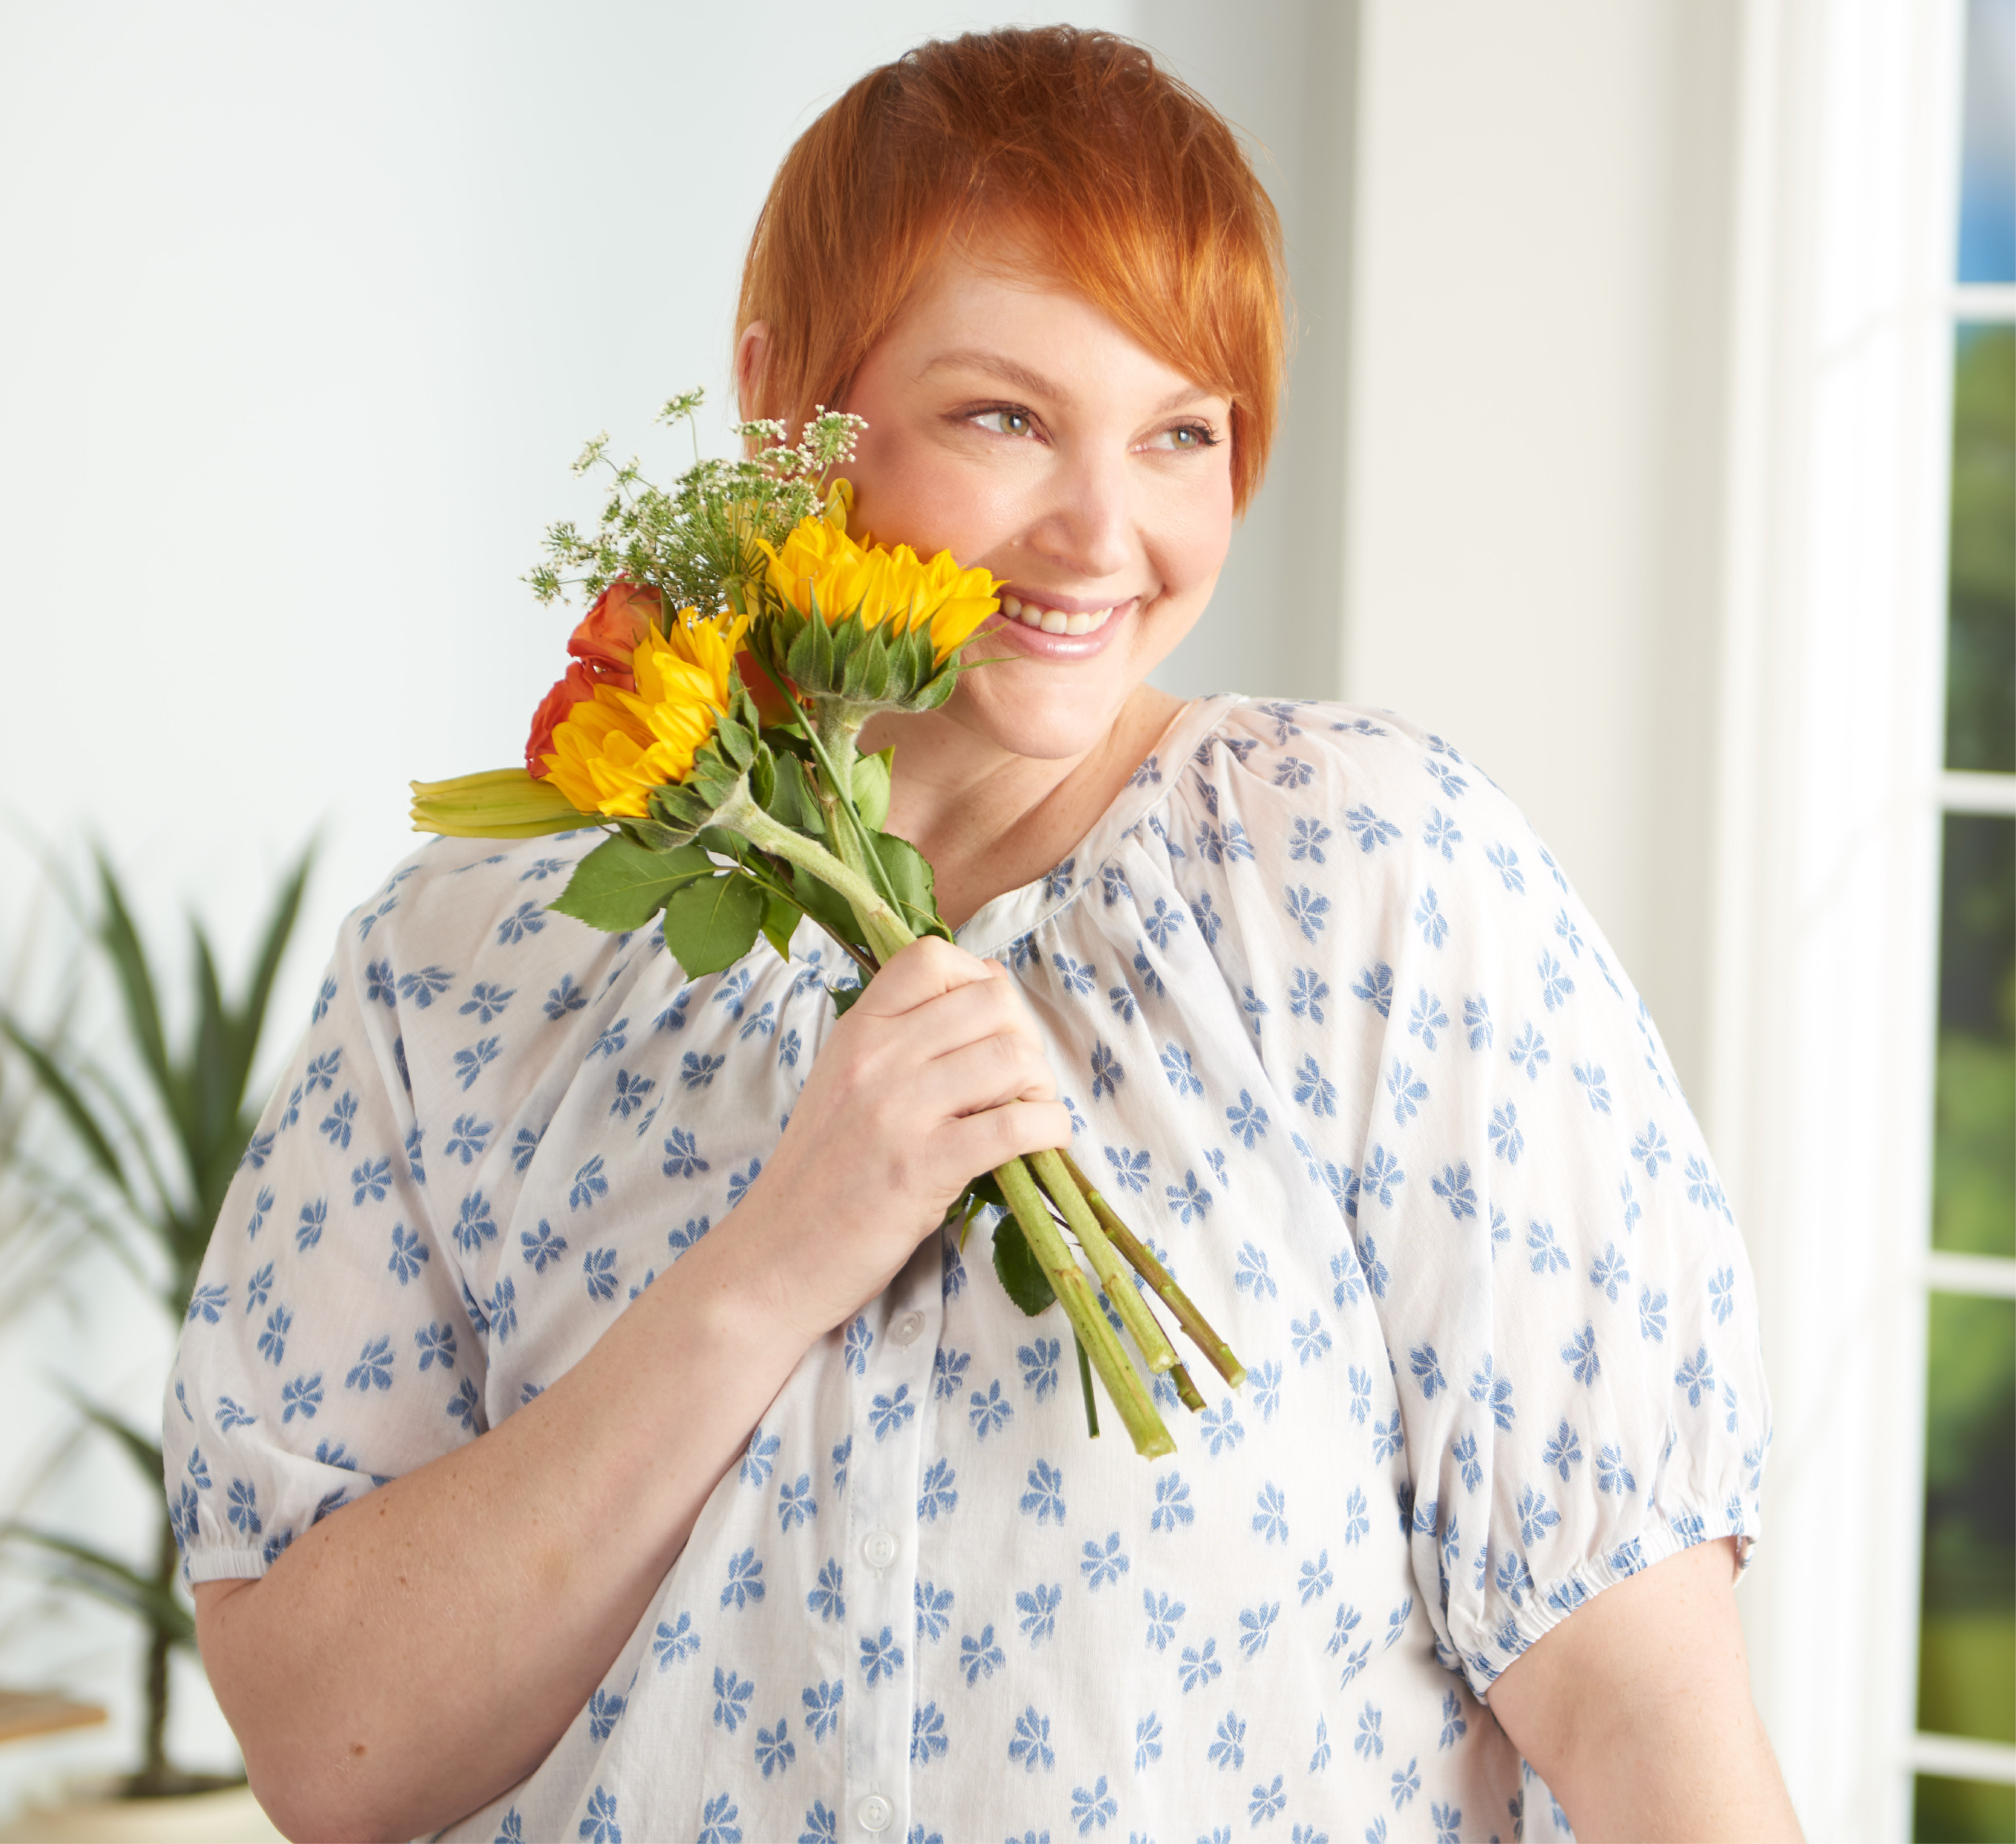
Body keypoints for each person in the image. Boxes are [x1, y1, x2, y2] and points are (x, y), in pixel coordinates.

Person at [167, 27, 1803, 1844]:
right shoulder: (468, 966)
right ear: (780, 397)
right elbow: (332, 1756)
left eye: (1181, 432)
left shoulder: (1369, 885)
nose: (1106, 532)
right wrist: (778, 1258)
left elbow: (1648, 1717)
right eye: (1002, 417)